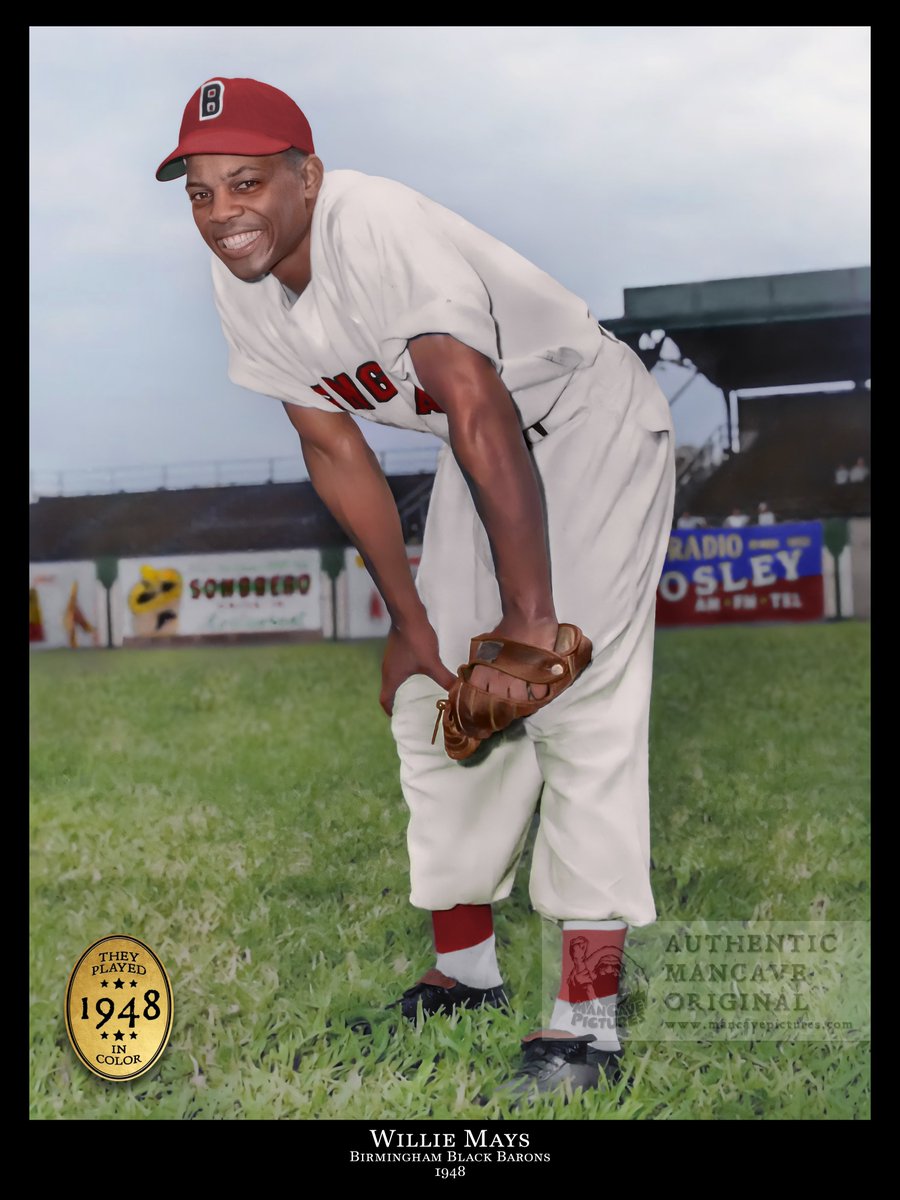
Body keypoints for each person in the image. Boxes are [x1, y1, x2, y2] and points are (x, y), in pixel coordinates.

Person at [157, 77, 675, 1100]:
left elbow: (477, 398)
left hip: (580, 415)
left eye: (247, 182)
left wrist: (530, 616)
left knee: (576, 697)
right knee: (435, 699)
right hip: (472, 452)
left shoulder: (374, 223)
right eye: (201, 193)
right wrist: (411, 620)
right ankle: (466, 970)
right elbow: (331, 446)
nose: (222, 215)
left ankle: (588, 1022)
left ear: (307, 174)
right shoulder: (242, 280)